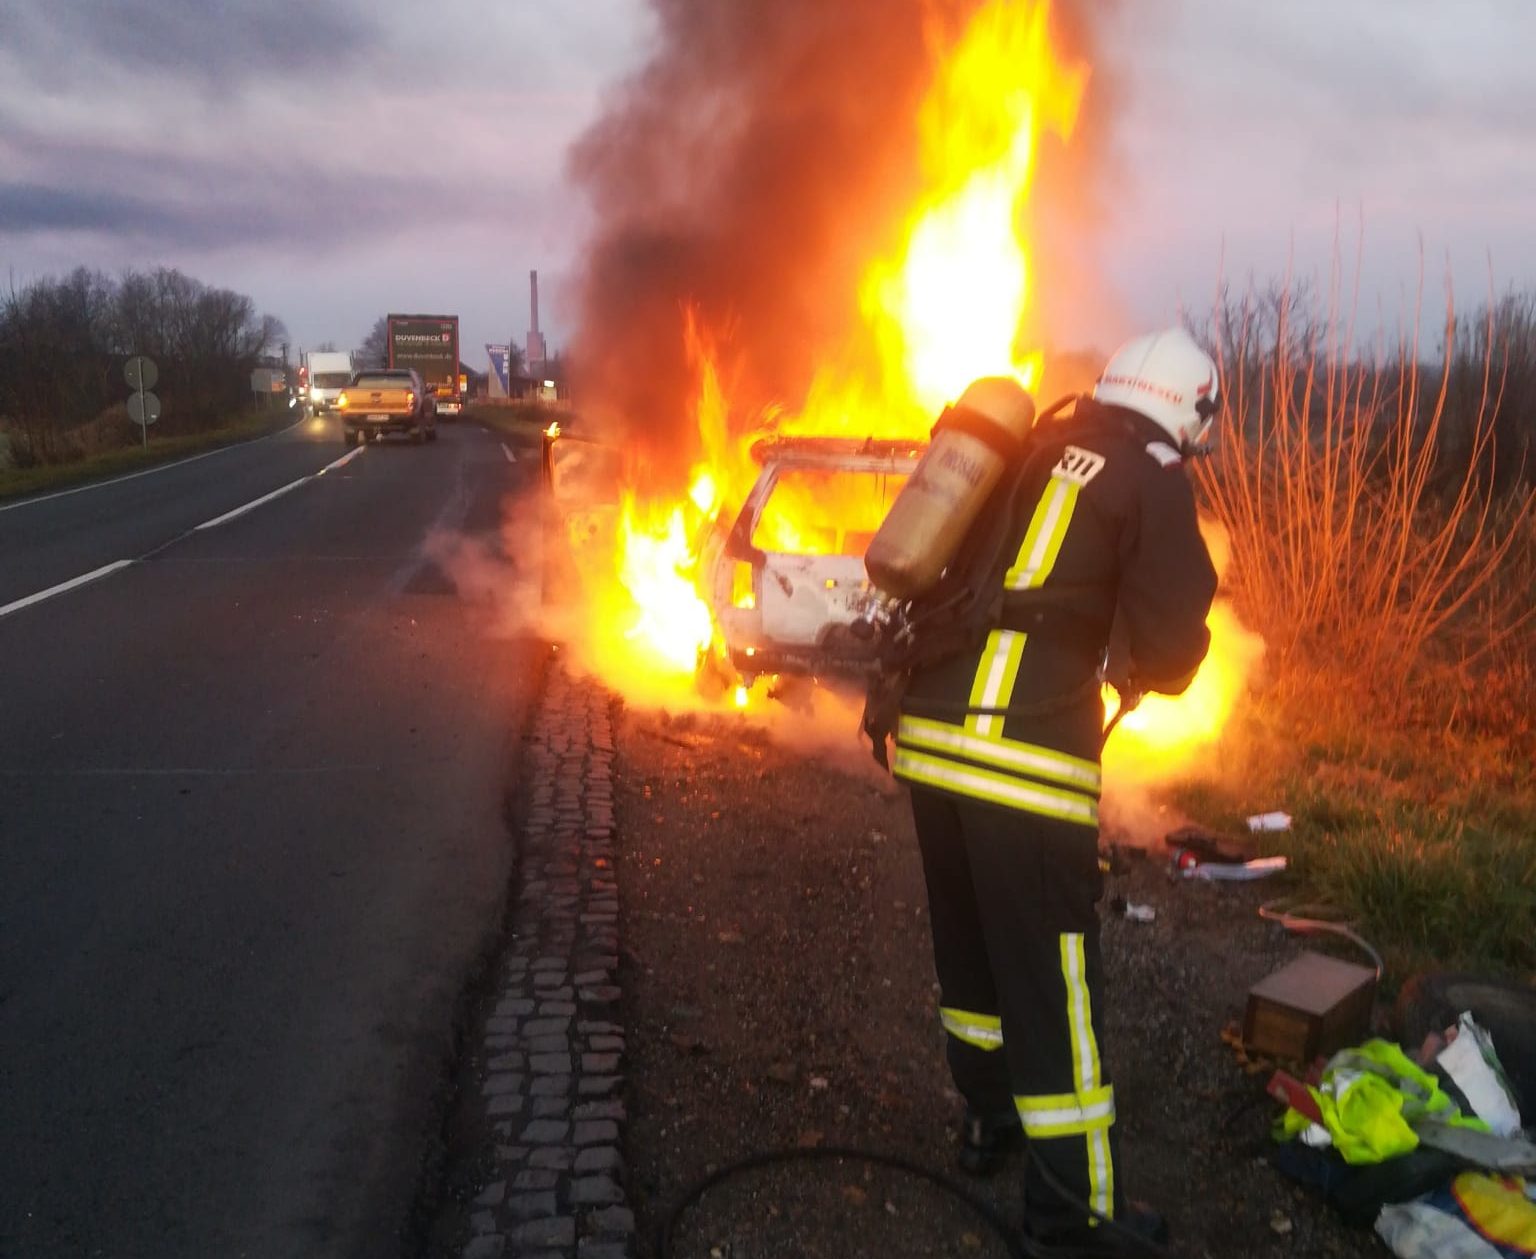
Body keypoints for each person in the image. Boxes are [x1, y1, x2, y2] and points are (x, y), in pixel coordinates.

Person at [883, 327, 1221, 1253]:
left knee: (972, 958)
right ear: (1187, 410)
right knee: (1055, 985)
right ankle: (1073, 1210)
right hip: (1025, 763)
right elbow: (1172, 647)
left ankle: (986, 1118)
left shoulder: (1026, 444)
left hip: (931, 735)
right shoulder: (1153, 471)